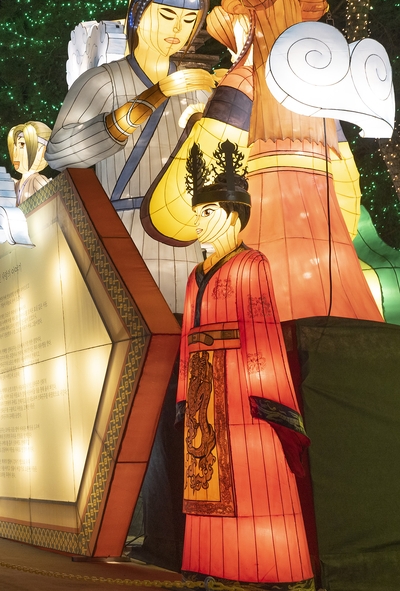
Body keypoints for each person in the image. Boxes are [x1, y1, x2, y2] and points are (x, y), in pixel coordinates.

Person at [177, 141, 313, 588]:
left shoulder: (251, 264)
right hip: (202, 389)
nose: (199, 222)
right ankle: (210, 565)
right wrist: (184, 396)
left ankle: (267, 570)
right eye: (197, 213)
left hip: (242, 392)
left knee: (255, 479)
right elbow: (186, 343)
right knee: (203, 475)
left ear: (234, 216)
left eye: (208, 212)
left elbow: (263, 333)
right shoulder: (194, 278)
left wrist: (265, 400)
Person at [44, 0, 215, 311]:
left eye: (188, 19)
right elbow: (59, 151)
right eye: (166, 15)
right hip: (125, 235)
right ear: (138, 15)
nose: (176, 29)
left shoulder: (199, 87)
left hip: (191, 239)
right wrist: (151, 99)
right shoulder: (102, 81)